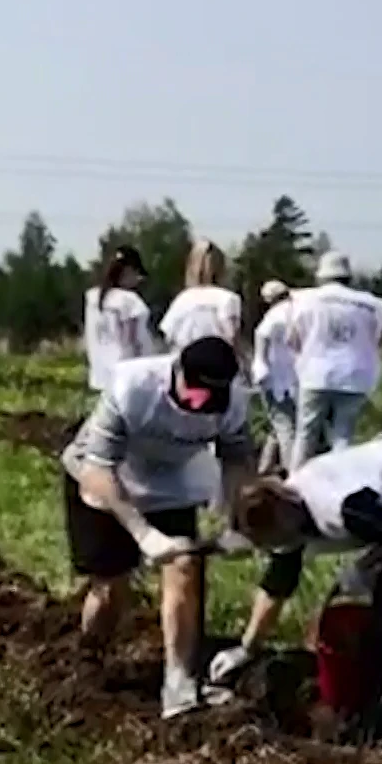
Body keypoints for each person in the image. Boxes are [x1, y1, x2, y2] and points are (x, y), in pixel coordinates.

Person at [211, 433, 382, 741]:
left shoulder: (336, 505)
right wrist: (246, 648)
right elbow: (279, 581)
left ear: (283, 515)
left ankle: (381, 720)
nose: (280, 546)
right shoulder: (286, 512)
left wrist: (359, 569)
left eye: (277, 538)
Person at [61, 337, 256, 719]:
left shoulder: (233, 403)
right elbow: (98, 467)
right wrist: (142, 534)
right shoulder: (133, 387)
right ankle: (89, 655)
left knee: (184, 565)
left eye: (210, 400)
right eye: (195, 394)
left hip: (169, 483)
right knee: (111, 587)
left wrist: (237, 520)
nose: (200, 406)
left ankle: (179, 685)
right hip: (103, 479)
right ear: (177, 372)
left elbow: (237, 460)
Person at [287, 252, 382, 469]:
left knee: (306, 433)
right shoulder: (371, 304)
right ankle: (339, 484)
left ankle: (295, 484)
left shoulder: (303, 300)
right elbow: (374, 338)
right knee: (343, 434)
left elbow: (293, 339)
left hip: (316, 373)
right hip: (355, 374)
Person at [84, 246, 154, 393]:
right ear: (128, 270)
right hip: (126, 380)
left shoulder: (93, 298)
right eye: (137, 274)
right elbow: (137, 343)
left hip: (100, 378)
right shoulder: (129, 301)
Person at [162, 241, 242, 353]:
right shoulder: (228, 298)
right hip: (217, 361)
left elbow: (169, 336)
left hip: (184, 361)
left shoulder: (182, 299)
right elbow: (231, 335)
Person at [251, 280, 297, 474]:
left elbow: (261, 340)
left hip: (275, 379)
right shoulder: (297, 311)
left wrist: (258, 370)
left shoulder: (273, 316)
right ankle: (265, 467)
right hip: (294, 378)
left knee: (284, 426)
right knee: (279, 425)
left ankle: (290, 471)